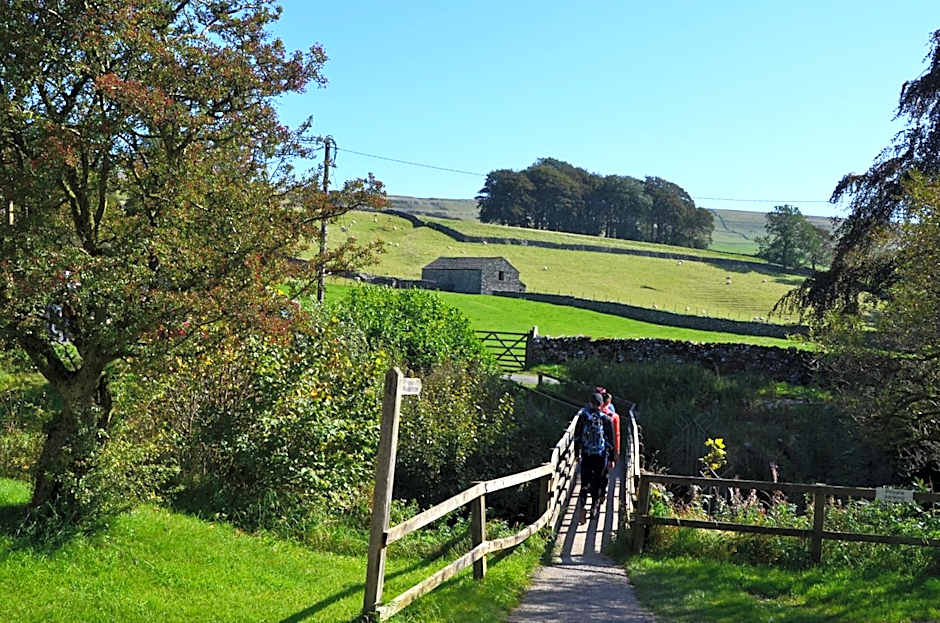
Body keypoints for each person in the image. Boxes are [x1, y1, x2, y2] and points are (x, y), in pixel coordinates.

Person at [574, 392, 615, 524]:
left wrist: (577, 454)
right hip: (601, 456)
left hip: (587, 454)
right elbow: (611, 442)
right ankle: (594, 508)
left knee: (584, 483)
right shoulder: (606, 419)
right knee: (597, 482)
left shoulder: (583, 417)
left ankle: (582, 507)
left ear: (590, 403)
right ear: (602, 404)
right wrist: (612, 459)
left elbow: (577, 437)